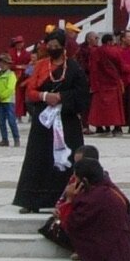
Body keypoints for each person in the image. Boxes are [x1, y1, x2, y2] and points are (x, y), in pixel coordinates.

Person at [13, 28, 90, 212]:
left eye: (56, 46)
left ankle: (66, 197)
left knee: (67, 159)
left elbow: (82, 94)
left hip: (66, 121)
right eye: (50, 46)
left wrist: (61, 97)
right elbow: (30, 92)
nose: (53, 48)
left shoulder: (73, 68)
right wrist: (45, 95)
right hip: (44, 121)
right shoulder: (40, 66)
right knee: (38, 157)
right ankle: (32, 200)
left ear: (63, 47)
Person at [84, 31, 127, 134]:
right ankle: (117, 127)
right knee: (114, 109)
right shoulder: (115, 51)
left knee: (100, 108)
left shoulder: (95, 52)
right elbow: (122, 67)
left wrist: (93, 83)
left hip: (99, 83)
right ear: (109, 42)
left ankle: (102, 127)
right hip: (113, 83)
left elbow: (93, 68)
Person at [0, 57, 19, 147]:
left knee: (11, 121)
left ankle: (16, 138)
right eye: (1, 63)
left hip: (9, 101)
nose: (3, 65)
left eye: (5, 63)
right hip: (0, 102)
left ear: (9, 65)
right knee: (1, 121)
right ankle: (4, 139)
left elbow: (10, 88)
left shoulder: (11, 75)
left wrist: (0, 96)